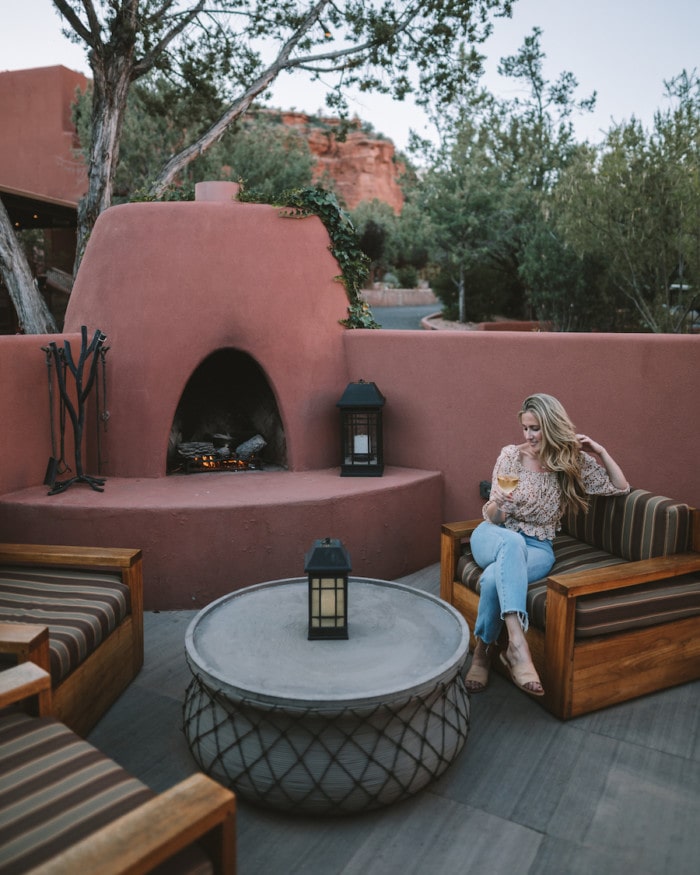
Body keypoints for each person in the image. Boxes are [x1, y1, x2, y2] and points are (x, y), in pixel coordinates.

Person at [464, 393, 629, 697]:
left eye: (536, 428)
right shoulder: (511, 456)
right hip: (495, 534)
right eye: (526, 428)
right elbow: (493, 517)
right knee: (511, 541)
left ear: (552, 426)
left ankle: (482, 653)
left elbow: (620, 487)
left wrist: (601, 451)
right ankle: (517, 644)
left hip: (539, 548)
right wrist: (498, 502)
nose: (529, 435)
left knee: (491, 580)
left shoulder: (569, 461)